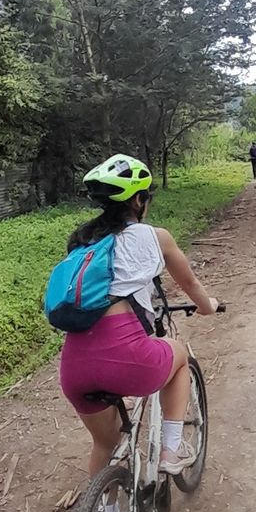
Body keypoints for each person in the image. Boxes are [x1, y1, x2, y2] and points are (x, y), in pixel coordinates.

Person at [59, 154, 219, 477]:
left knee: (105, 444)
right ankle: (170, 451)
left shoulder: (83, 243)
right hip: (125, 355)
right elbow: (189, 282)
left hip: (74, 366)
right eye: (146, 196)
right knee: (178, 355)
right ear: (137, 200)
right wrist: (207, 306)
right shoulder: (155, 237)